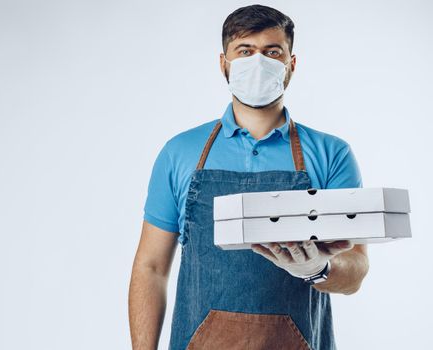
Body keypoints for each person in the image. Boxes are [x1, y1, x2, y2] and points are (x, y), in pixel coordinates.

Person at [128, 4, 369, 350]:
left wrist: (319, 268)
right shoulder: (180, 153)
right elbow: (150, 268)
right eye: (245, 51)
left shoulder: (332, 155)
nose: (258, 62)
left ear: (291, 65)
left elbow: (356, 269)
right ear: (224, 64)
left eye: (272, 52)